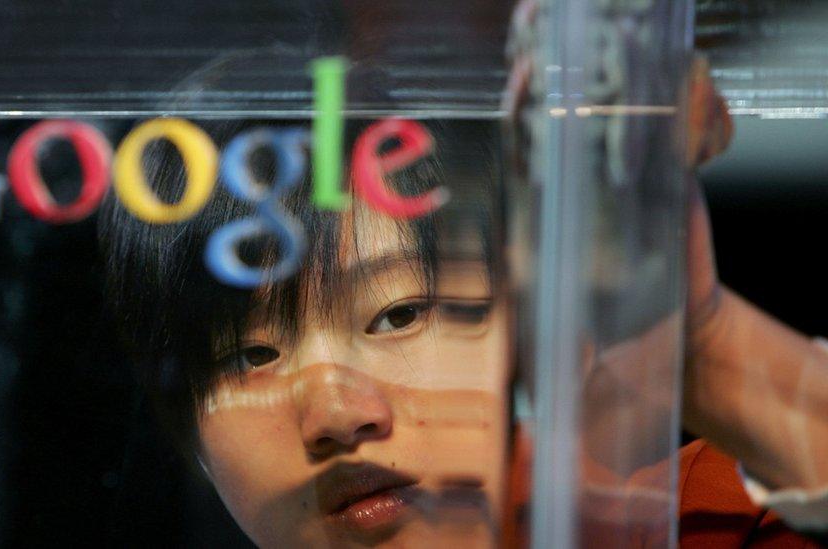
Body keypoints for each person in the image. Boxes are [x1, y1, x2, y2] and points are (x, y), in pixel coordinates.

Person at [98, 70, 827, 547]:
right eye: (250, 355)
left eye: (399, 312)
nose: (335, 413)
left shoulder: (718, 526)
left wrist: (709, 352)